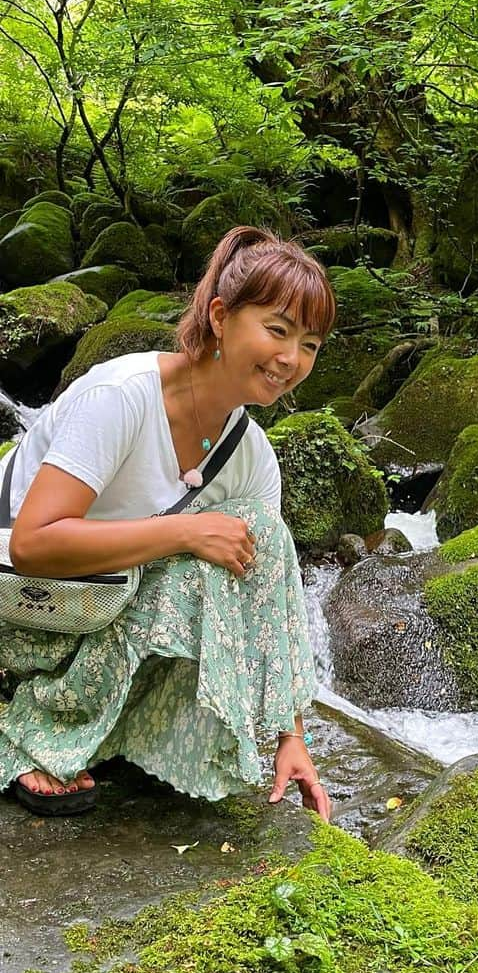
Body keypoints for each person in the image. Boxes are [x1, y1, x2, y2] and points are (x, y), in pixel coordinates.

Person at [0, 225, 334, 821]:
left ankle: (99, 723)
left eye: (309, 344)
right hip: (26, 598)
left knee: (259, 534)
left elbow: (271, 580)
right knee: (192, 560)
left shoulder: (251, 453)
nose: (291, 359)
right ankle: (28, 729)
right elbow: (32, 543)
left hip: (105, 597)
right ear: (220, 316)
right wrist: (182, 533)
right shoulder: (123, 397)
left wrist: (291, 736)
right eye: (278, 331)